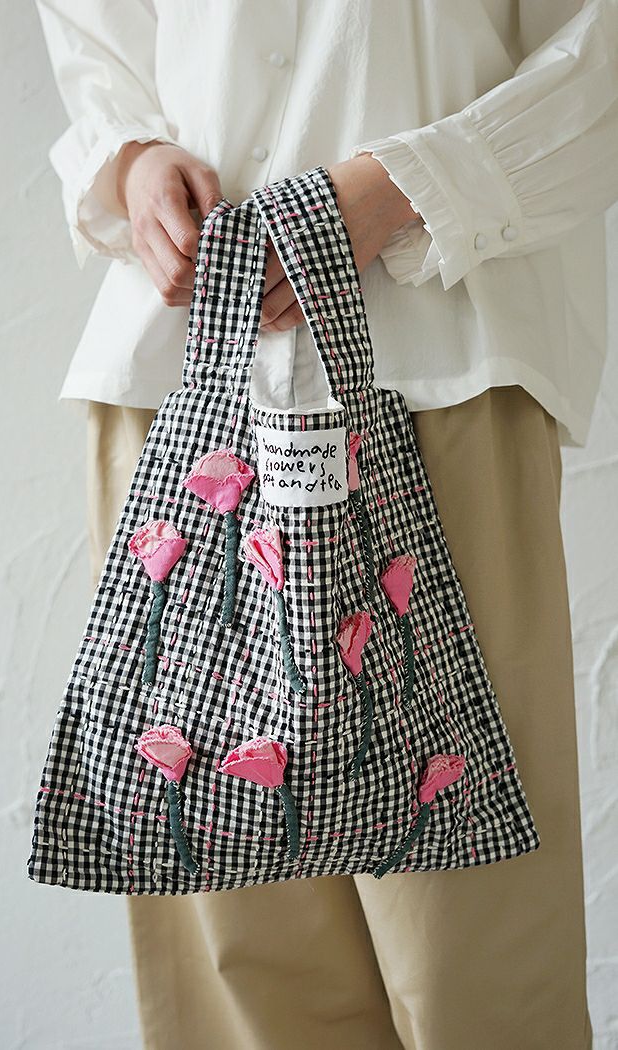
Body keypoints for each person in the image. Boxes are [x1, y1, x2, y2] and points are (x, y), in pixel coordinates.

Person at [34, 2, 618, 1047]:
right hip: (179, 379)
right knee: (240, 966)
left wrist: (404, 187)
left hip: (434, 365)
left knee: (473, 966)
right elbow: (94, 29)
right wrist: (129, 159)